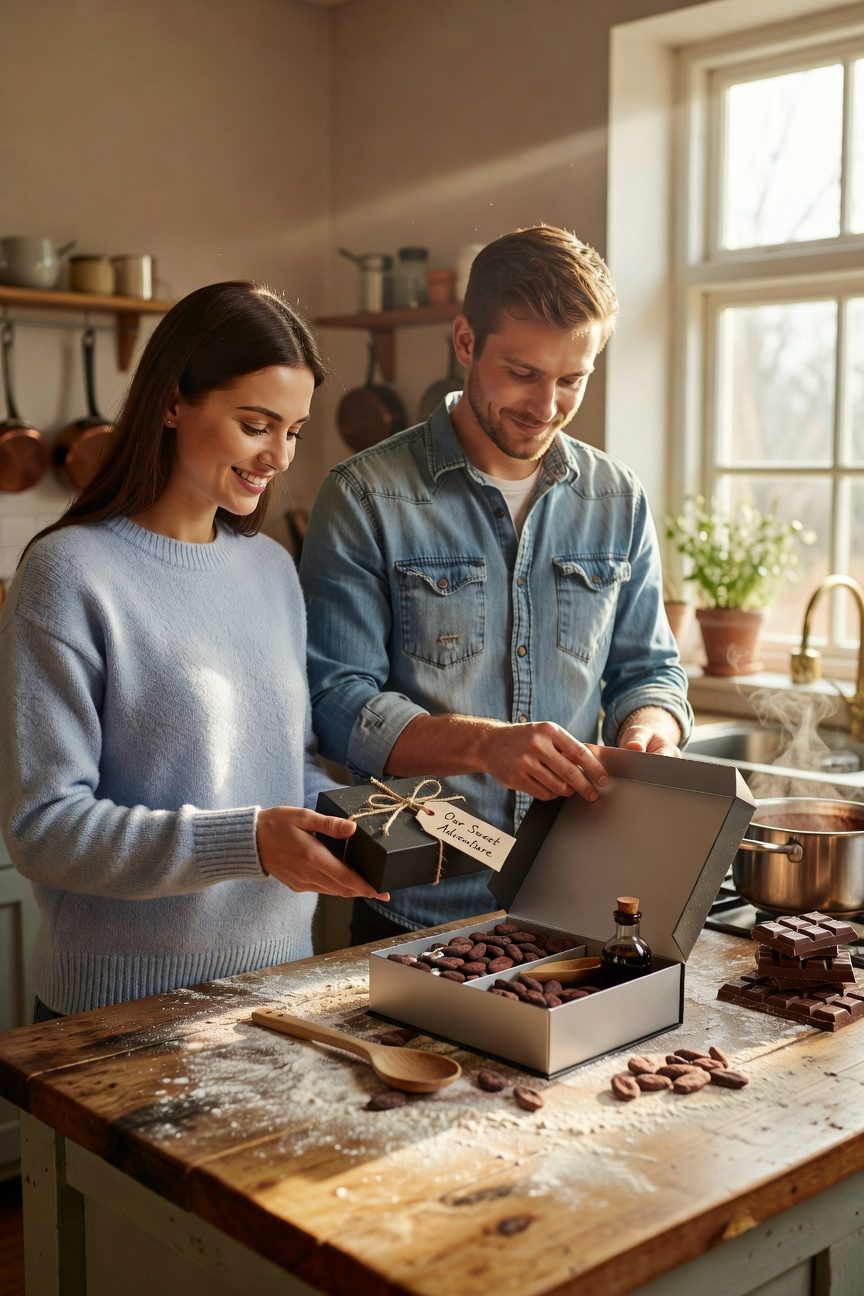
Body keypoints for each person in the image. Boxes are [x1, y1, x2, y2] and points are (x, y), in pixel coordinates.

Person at [0, 281, 388, 1020]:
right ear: (174, 402)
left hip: (277, 988)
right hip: (118, 1011)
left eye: (295, 431)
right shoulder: (70, 573)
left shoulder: (271, 568)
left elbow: (286, 763)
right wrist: (249, 842)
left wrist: (353, 827)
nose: (279, 456)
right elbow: (43, 829)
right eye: (256, 424)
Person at [299, 226, 693, 944]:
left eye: (571, 379)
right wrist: (486, 746)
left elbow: (650, 670)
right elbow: (335, 705)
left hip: (573, 901)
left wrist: (650, 732)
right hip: (412, 907)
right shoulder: (365, 497)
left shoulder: (618, 499)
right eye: (522, 372)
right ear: (464, 341)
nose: (546, 404)